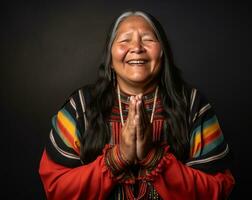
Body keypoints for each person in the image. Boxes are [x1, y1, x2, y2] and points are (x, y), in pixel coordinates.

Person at [39, 10, 235, 200]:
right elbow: (56, 189)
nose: (137, 47)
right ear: (110, 59)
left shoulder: (192, 104)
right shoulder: (81, 106)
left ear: (163, 53)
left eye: (148, 39)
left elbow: (218, 188)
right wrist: (118, 157)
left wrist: (153, 157)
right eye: (125, 40)